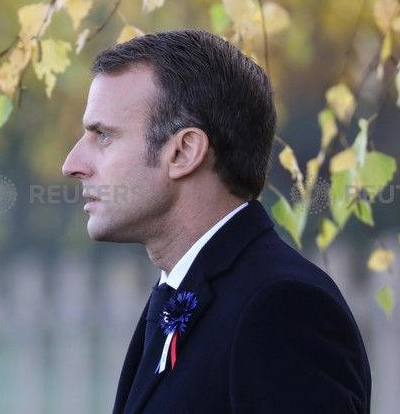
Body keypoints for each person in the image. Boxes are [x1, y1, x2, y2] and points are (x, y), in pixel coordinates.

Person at [61, 30, 371, 413]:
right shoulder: (183, 291)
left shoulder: (281, 308)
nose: (72, 165)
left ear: (184, 152)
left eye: (103, 136)